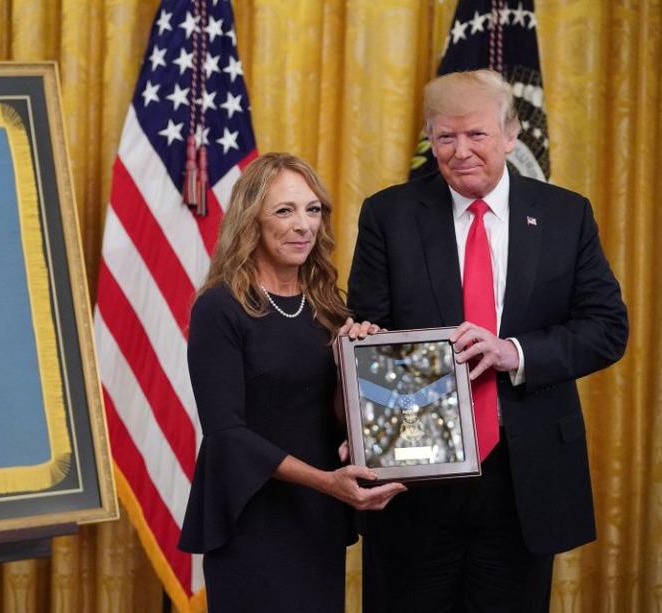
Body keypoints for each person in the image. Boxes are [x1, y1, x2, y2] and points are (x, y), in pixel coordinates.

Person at [347, 69, 628, 611]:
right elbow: (368, 326)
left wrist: (513, 352)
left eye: (476, 135)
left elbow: (606, 329)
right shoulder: (390, 214)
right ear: (430, 138)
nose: (460, 151)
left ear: (510, 134)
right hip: (415, 472)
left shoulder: (565, 215)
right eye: (444, 137)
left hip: (523, 477)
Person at [178, 152, 406, 611]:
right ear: (252, 221)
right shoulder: (219, 308)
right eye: (285, 210)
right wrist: (326, 481)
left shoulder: (329, 308)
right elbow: (227, 435)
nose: (303, 224)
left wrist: (357, 366)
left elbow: (338, 418)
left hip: (317, 518)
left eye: (313, 209)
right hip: (251, 518)